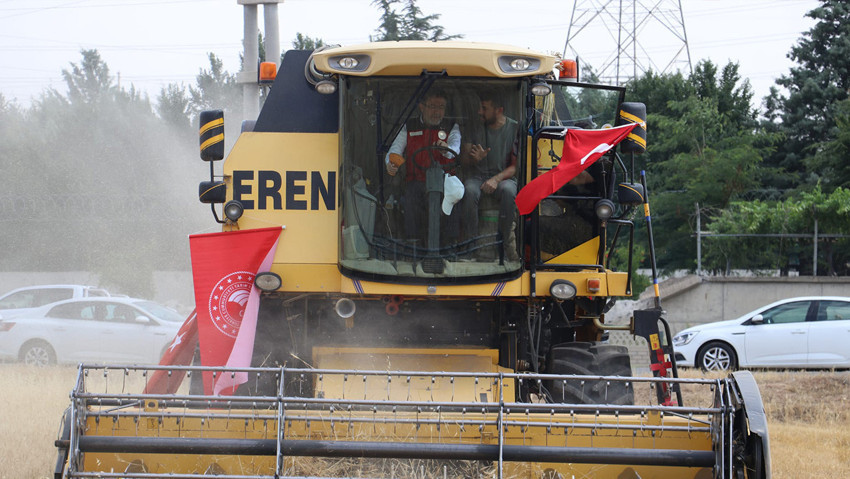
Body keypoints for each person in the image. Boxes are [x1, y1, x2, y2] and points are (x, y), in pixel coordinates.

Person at [385, 89, 461, 243]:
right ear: (421, 106)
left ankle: (449, 246)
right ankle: (414, 244)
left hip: (444, 181)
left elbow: (455, 149)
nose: (437, 112)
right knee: (411, 196)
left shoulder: (452, 126)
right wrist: (390, 163)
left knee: (453, 197)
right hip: (417, 180)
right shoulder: (409, 126)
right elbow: (395, 150)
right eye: (433, 106)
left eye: (441, 107)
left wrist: (446, 148)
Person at [460, 91, 518, 255]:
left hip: (504, 178)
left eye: (484, 108)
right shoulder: (475, 127)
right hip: (477, 177)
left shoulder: (514, 128)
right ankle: (470, 247)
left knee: (509, 190)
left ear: (499, 110)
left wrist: (495, 179)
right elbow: (464, 161)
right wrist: (474, 159)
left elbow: (515, 167)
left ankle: (504, 243)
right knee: (469, 191)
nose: (479, 112)